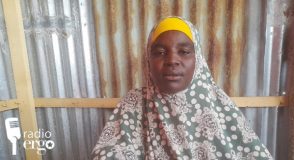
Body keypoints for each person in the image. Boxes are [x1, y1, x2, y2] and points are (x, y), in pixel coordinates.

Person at [91, 16, 272, 160]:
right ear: (148, 59)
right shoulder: (134, 103)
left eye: (184, 52)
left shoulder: (218, 104)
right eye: (160, 52)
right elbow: (109, 152)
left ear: (198, 59)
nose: (172, 61)